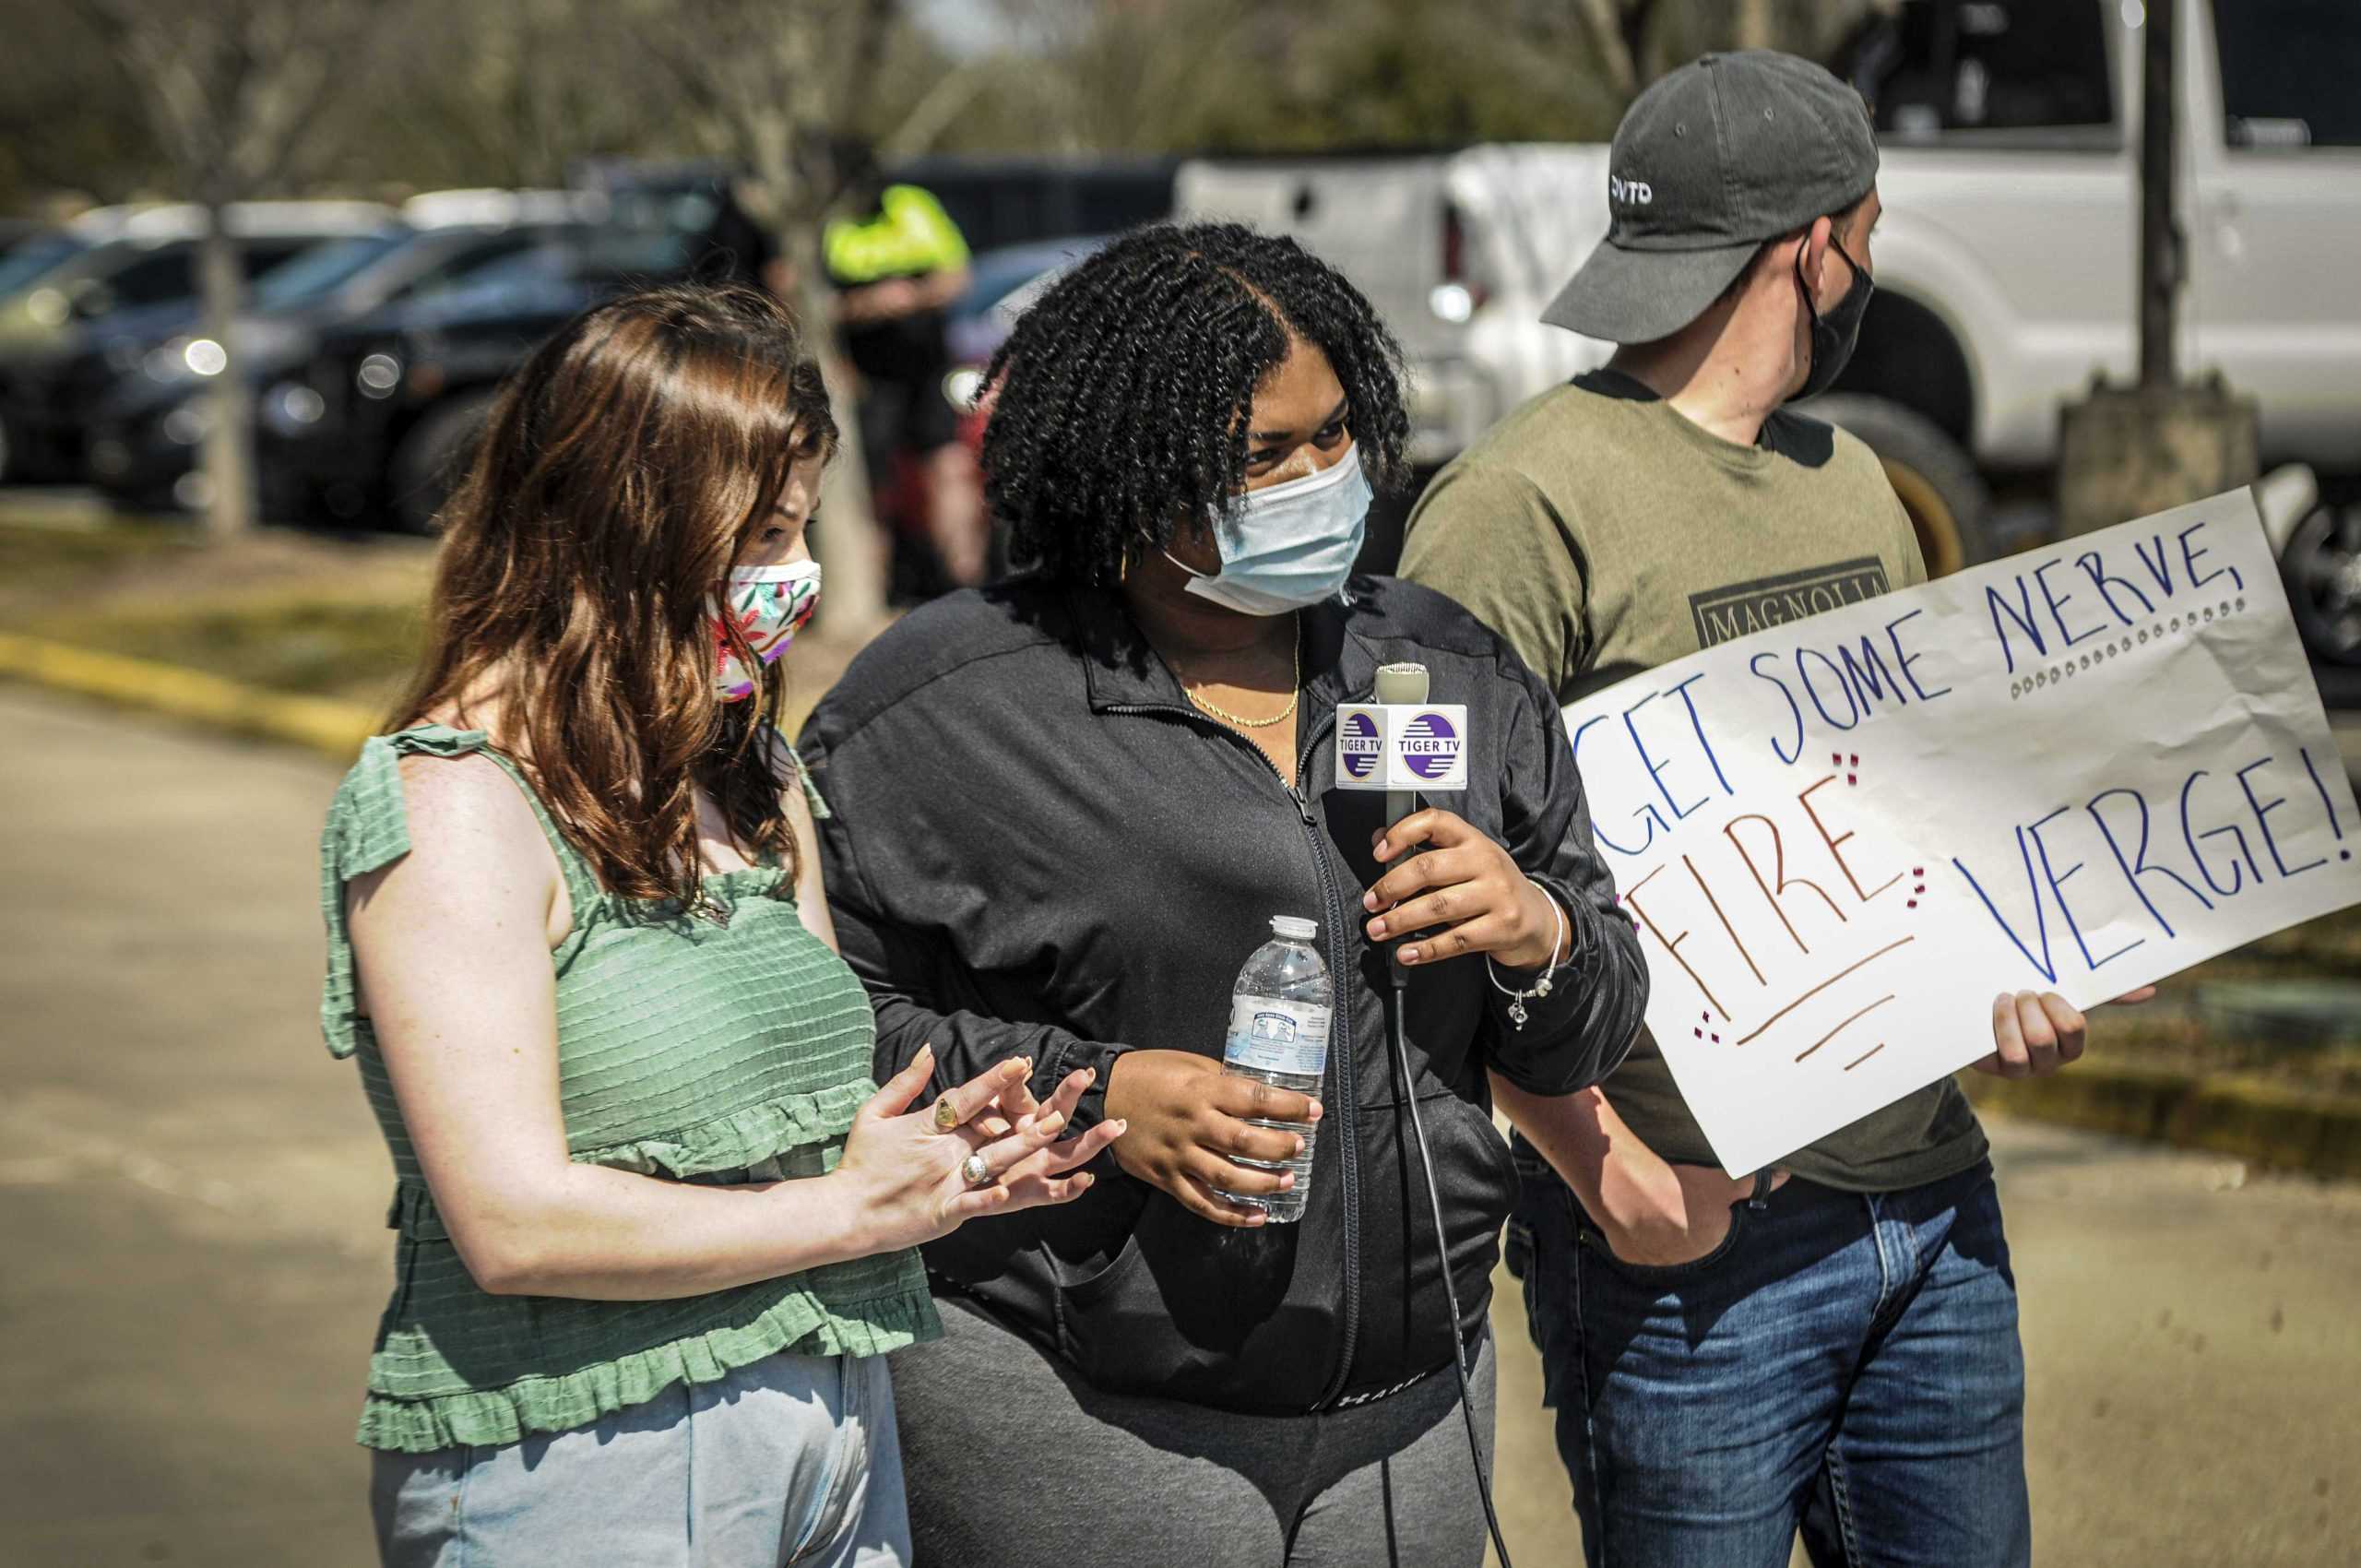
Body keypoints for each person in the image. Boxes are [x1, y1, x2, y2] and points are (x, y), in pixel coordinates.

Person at [799, 221, 1649, 1568]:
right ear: (1129, 475)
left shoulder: (1446, 665)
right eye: (1266, 455)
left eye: (1336, 435)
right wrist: (1092, 1093)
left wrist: (1537, 936)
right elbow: (817, 1032)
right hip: (1081, 1425)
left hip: (1414, 1421)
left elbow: (1589, 1018)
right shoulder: (939, 711)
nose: (1324, 478)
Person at [1399, 52, 2148, 1568]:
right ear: (1820, 242)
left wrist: (2020, 967)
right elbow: (1415, 887)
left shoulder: (1857, 478)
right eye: (1867, 225)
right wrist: (1614, 1185)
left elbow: (1916, 815)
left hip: (1934, 1208)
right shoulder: (1515, 505)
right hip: (1687, 1257)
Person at [318, 284, 1121, 1567]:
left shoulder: (753, 775)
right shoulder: (454, 803)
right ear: (617, 529)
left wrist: (938, 1166)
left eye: (797, 528)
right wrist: (854, 1217)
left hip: (827, 1426)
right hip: (588, 1467)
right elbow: (515, 1223)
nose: (790, 577)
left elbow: (800, 1150)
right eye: (756, 535)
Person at [822, 151, 988, 593]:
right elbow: (804, 298)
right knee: (869, 486)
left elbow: (957, 275)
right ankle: (874, 593)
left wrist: (912, 296)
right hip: (865, 377)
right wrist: (868, 305)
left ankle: (964, 584)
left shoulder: (911, 205)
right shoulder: (824, 221)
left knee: (948, 468)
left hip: (927, 368)